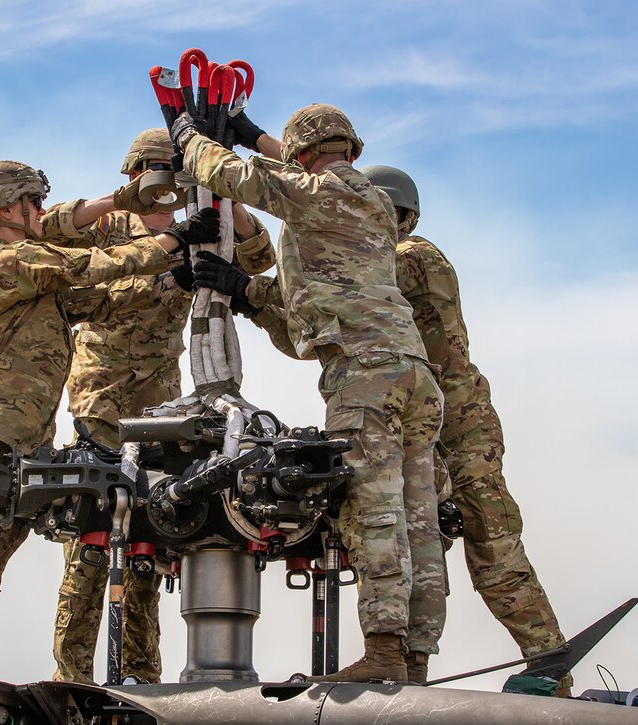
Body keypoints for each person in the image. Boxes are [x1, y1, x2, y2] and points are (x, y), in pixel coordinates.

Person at [0, 160, 220, 688]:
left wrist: (175, 278)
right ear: (10, 208)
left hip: (27, 443)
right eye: (33, 203)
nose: (40, 213)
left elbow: (100, 301)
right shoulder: (10, 260)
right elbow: (89, 269)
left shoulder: (36, 277)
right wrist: (174, 240)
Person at [177, 104, 445, 683]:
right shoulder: (371, 198)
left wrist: (190, 137)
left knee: (374, 510)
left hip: (363, 375)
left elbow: (233, 177)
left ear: (302, 153)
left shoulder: (312, 192)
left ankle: (383, 652)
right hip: (414, 374)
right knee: (418, 518)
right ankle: (415, 656)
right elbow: (296, 166)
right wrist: (251, 134)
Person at [38, 128, 275, 684]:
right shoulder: (107, 227)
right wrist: (125, 206)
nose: (164, 188)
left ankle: (143, 676)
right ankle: (71, 674)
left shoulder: (200, 225)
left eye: (173, 174)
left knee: (150, 538)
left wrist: (225, 200)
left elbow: (260, 256)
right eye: (155, 175)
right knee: (91, 542)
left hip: (161, 409)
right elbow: (51, 239)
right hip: (102, 398)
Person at [361, 164, 571, 694]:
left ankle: (548, 661)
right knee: (416, 540)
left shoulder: (414, 257)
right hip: (420, 420)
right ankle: (409, 673)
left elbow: (351, 276)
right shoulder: (389, 258)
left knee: (490, 541)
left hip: (460, 424)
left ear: (400, 215)